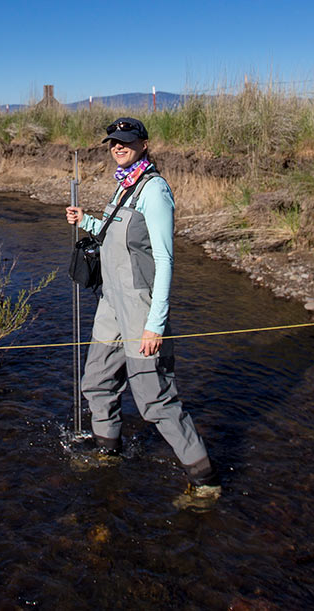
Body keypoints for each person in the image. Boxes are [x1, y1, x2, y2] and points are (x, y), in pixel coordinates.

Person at [66, 117, 218, 490]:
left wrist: (155, 323)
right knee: (97, 383)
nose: (118, 146)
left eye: (126, 141)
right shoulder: (123, 187)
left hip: (141, 310)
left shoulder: (155, 190)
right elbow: (112, 233)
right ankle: (108, 454)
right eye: (113, 142)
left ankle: (204, 482)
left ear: (144, 144)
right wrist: (85, 220)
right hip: (111, 306)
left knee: (156, 401)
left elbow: (165, 260)